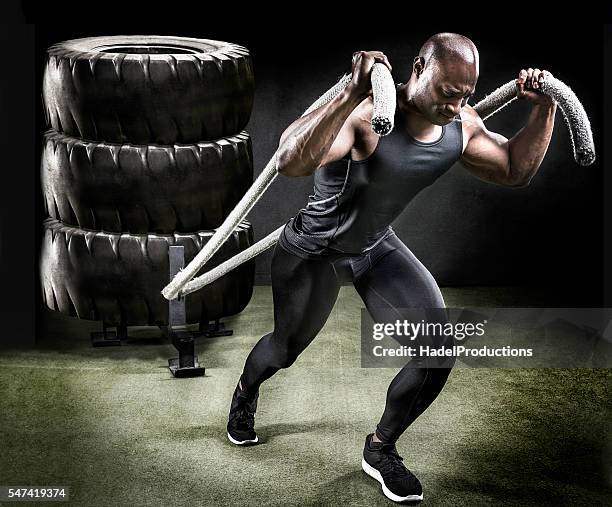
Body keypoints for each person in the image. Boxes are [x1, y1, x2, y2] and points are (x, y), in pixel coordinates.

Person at [226, 32, 557, 503]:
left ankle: (380, 449)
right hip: (313, 252)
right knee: (283, 349)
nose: (457, 104)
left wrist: (542, 109)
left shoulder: (461, 124)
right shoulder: (366, 117)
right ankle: (245, 391)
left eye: (466, 94)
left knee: (437, 351)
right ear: (419, 70)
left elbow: (513, 169)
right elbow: (288, 161)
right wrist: (348, 93)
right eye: (448, 92)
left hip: (375, 249)